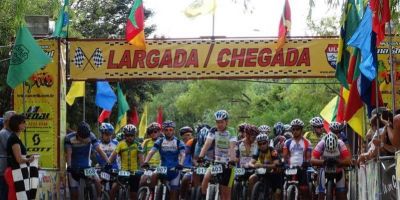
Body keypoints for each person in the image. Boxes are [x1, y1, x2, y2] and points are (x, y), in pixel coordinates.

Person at [198, 110, 237, 200]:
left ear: (226, 122)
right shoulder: (213, 130)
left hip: (228, 164)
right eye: (217, 122)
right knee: (206, 177)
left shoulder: (231, 131)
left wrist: (232, 160)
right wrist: (200, 157)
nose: (219, 124)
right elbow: (207, 144)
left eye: (221, 122)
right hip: (217, 162)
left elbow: (232, 147)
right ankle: (203, 197)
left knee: (225, 195)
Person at [65, 121, 109, 200]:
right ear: (77, 134)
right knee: (74, 192)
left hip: (86, 166)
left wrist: (108, 161)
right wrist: (69, 166)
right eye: (83, 137)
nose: (85, 139)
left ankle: (99, 198)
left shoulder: (91, 136)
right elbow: (69, 153)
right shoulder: (69, 138)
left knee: (97, 180)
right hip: (74, 167)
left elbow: (99, 150)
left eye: (86, 137)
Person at [143, 120, 186, 200]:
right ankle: (151, 194)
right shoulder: (160, 141)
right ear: (163, 131)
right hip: (163, 168)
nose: (168, 132)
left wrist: (181, 163)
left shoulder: (178, 142)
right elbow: (152, 151)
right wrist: (146, 162)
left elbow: (182, 154)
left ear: (174, 130)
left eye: (170, 130)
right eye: (166, 130)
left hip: (174, 170)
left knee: (173, 195)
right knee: (153, 175)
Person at [311, 133, 351, 200]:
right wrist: (324, 162)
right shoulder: (321, 143)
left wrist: (338, 162)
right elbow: (312, 160)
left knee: (341, 196)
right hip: (324, 169)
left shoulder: (341, 143)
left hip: (338, 170)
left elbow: (348, 160)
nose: (331, 153)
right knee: (321, 195)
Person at [108, 124, 143, 200]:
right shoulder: (120, 144)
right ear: (125, 135)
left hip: (134, 172)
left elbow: (141, 160)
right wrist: (108, 163)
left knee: (133, 195)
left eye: (131, 135)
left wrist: (143, 168)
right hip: (123, 171)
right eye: (127, 135)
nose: (129, 137)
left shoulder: (138, 145)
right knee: (113, 188)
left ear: (134, 135)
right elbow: (113, 156)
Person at [4, 114, 35, 200]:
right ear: (17, 124)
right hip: (14, 171)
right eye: (23, 122)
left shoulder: (16, 138)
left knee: (19, 196)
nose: (26, 124)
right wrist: (30, 159)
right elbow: (19, 159)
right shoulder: (14, 138)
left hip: (16, 171)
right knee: (16, 196)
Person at [282, 119, 312, 200]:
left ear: (301, 130)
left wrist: (306, 163)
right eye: (293, 129)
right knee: (284, 188)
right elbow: (285, 156)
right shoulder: (287, 142)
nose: (295, 131)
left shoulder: (307, 142)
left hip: (302, 168)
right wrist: (285, 164)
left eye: (297, 129)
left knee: (305, 189)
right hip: (290, 168)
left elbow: (308, 156)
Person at [248, 133, 281, 200]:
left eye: (264, 143)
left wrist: (262, 165)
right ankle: (252, 196)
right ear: (258, 144)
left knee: (277, 193)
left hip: (274, 173)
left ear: (268, 143)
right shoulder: (257, 150)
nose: (262, 145)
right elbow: (251, 162)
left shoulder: (272, 150)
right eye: (260, 144)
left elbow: (275, 164)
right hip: (263, 172)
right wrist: (253, 166)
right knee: (251, 178)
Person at [140, 122, 161, 187]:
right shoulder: (146, 142)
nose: (153, 133)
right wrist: (143, 164)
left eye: (155, 131)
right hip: (149, 167)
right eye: (151, 132)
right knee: (142, 181)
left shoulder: (163, 141)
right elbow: (142, 153)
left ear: (159, 132)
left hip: (160, 167)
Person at [0, 110, 15, 199]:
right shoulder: (4, 133)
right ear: (7, 121)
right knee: (4, 194)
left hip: (9, 170)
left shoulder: (10, 133)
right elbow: (11, 149)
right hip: (4, 171)